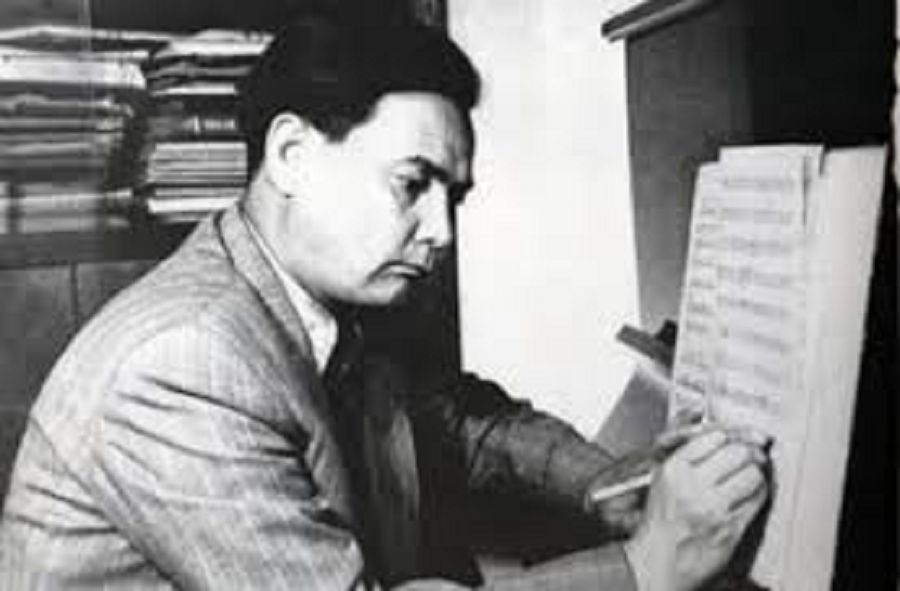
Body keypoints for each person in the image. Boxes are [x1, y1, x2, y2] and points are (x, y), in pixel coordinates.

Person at [0, 9, 769, 590]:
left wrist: (608, 481)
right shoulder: (185, 358)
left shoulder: (321, 300)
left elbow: (457, 422)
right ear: (291, 154)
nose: (441, 231)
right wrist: (649, 562)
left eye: (452, 196)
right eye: (412, 184)